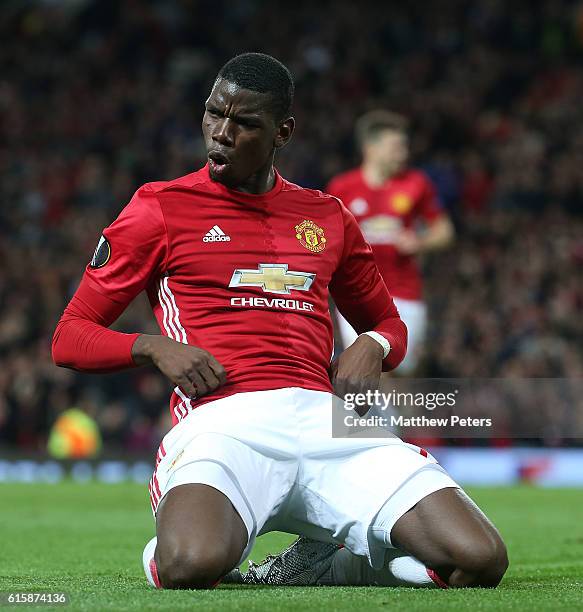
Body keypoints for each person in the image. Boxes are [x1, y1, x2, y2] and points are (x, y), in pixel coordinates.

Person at [52, 52, 507, 590]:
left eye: (244, 123)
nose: (220, 133)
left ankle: (333, 562)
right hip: (223, 421)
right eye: (213, 114)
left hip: (328, 422)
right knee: (189, 566)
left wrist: (375, 345)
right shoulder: (160, 208)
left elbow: (388, 321)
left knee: (479, 560)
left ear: (281, 132)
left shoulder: (328, 216)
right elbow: (69, 337)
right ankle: (179, 544)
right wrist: (151, 347)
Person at [328, 111, 454, 373]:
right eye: (395, 146)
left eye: (404, 146)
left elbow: (444, 231)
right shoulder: (342, 188)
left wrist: (419, 242)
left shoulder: (416, 184)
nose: (403, 153)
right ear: (370, 148)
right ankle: (382, 416)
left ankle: (399, 416)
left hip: (404, 293)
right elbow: (328, 238)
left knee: (402, 370)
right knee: (367, 370)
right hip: (357, 295)